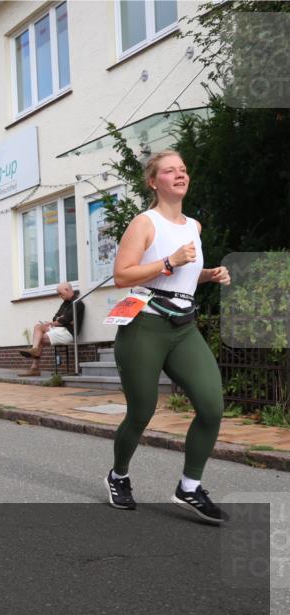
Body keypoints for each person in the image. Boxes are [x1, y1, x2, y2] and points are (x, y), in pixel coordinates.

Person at [104, 150, 231, 523]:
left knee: (212, 406)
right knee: (141, 412)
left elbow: (182, 276)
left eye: (184, 169)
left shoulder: (194, 226)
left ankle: (189, 487)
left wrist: (208, 274)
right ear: (153, 181)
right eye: (170, 170)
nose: (180, 174)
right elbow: (122, 275)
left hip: (184, 327)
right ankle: (119, 475)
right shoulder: (144, 223)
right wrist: (169, 262)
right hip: (145, 325)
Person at [18, 282, 85, 376]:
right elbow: (56, 318)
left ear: (67, 290)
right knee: (38, 327)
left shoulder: (78, 303)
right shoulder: (65, 304)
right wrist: (61, 320)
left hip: (68, 333)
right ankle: (35, 349)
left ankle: (34, 367)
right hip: (59, 329)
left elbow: (63, 320)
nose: (59, 296)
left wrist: (61, 320)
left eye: (60, 293)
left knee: (40, 338)